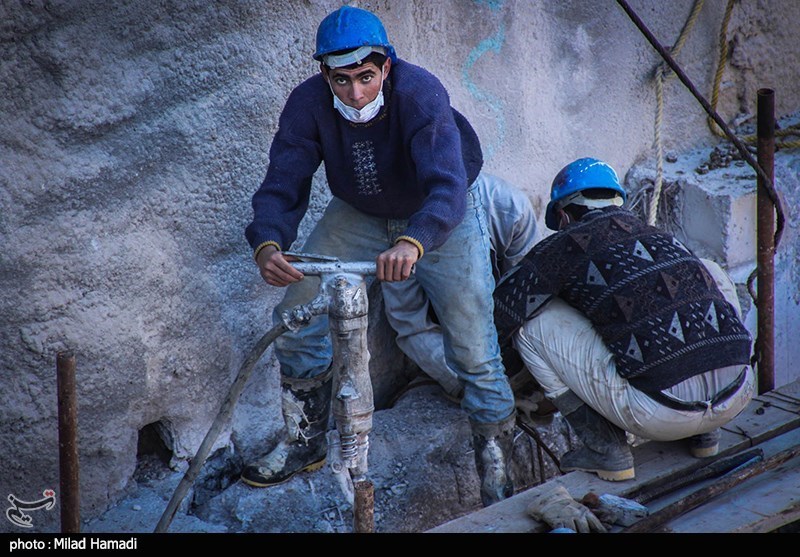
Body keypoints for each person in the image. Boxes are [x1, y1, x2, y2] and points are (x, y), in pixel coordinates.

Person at [242, 6, 517, 507]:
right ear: (324, 73)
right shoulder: (308, 104)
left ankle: (495, 460)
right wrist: (267, 243)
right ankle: (305, 441)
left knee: (473, 338)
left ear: (386, 67)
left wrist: (414, 241)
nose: (355, 93)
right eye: (341, 80)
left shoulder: (419, 93)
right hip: (361, 212)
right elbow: (283, 183)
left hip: (440, 216)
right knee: (296, 311)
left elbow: (447, 186)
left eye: (366, 77)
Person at [493, 157, 755, 482]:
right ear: (618, 201)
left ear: (563, 214)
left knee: (532, 325)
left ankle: (607, 450)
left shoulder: (562, 244)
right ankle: (705, 435)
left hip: (660, 413)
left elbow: (501, 314)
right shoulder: (660, 237)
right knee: (710, 270)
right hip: (739, 392)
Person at [382, 173, 539, 401]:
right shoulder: (398, 221)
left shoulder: (510, 208)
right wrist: (463, 381)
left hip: (507, 331)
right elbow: (410, 322)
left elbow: (529, 298)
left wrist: (523, 369)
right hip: (446, 337)